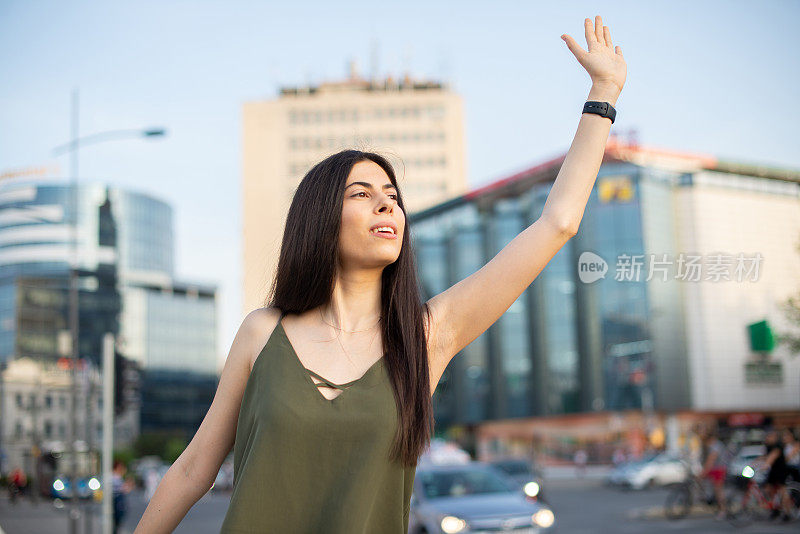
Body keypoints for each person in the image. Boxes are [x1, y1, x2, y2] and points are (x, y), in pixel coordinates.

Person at [133, 15, 627, 534]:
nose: (387, 206)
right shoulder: (262, 333)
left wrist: (603, 94)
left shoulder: (425, 337)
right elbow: (192, 471)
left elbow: (558, 223)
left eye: (393, 198)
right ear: (321, 219)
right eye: (363, 195)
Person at [760, 429, 793, 521]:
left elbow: (771, 457)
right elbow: (765, 457)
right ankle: (775, 508)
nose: (768, 438)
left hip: (781, 471)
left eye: (770, 436)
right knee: (768, 488)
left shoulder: (778, 446)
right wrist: (753, 464)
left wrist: (766, 465)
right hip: (773, 471)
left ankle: (787, 512)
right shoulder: (768, 446)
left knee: (783, 491)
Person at [698, 428, 730, 520]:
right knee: (713, 489)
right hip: (714, 469)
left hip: (719, 469)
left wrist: (704, 472)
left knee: (718, 490)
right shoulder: (710, 445)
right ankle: (710, 500)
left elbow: (711, 460)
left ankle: (723, 510)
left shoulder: (715, 445)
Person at [112, 460, 135, 533]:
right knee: (116, 522)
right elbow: (124, 489)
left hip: (117, 502)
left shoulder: (116, 477)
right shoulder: (115, 477)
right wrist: (129, 484)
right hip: (116, 502)